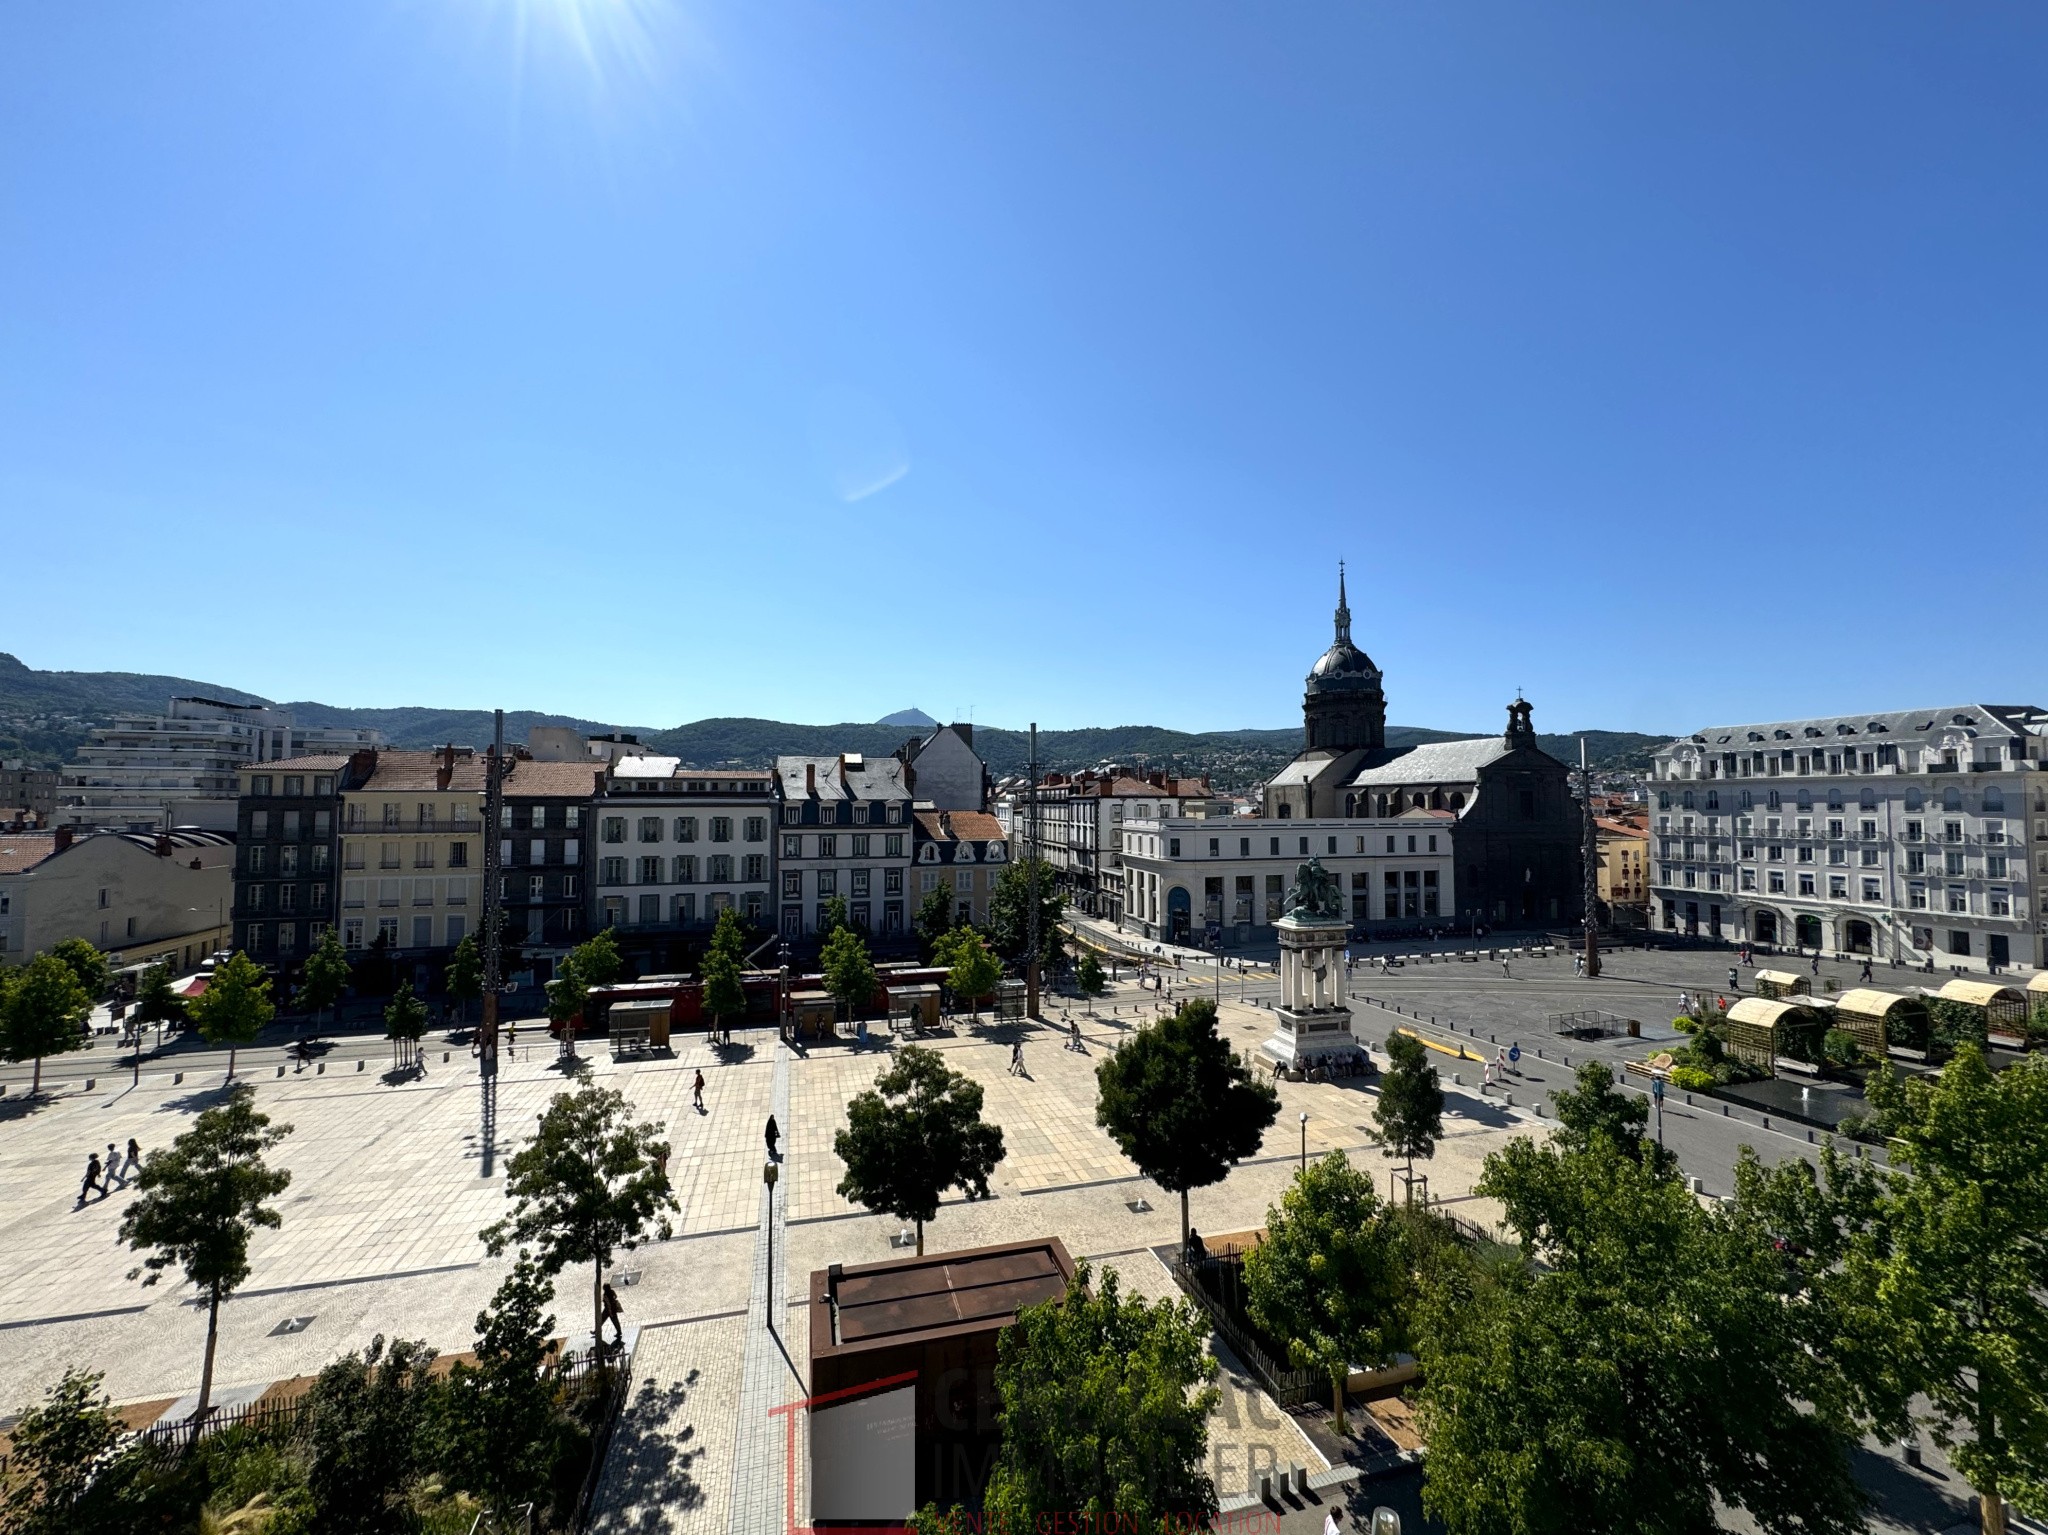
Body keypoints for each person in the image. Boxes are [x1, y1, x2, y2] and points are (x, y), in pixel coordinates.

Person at [601, 1282, 625, 1347]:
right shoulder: (612, 1291)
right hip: (613, 1309)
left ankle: (596, 1330)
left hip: (608, 1310)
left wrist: (610, 1312)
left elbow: (608, 1304)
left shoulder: (605, 1295)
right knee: (615, 1321)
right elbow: (616, 1296)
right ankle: (619, 1331)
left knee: (602, 1319)